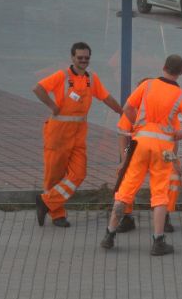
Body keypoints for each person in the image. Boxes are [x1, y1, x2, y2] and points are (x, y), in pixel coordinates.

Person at [101, 55, 182, 255]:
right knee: (159, 193)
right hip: (163, 148)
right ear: (180, 73)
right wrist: (180, 135)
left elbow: (128, 111)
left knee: (126, 190)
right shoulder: (181, 96)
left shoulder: (147, 86)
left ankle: (110, 234)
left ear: (163, 67)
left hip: (139, 144)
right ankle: (158, 241)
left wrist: (137, 127)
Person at [33, 42, 122, 228]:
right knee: (54, 175)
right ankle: (57, 215)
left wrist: (121, 111)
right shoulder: (62, 76)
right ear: (72, 58)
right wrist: (53, 106)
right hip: (58, 133)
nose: (83, 61)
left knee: (79, 173)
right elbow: (38, 89)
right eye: (80, 57)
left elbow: (106, 97)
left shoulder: (92, 79)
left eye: (86, 58)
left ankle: (46, 201)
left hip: (78, 135)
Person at [115, 78, 181, 234]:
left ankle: (164, 215)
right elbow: (123, 135)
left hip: (162, 152)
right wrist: (125, 158)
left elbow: (175, 137)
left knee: (173, 176)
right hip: (137, 152)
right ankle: (126, 216)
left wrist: (172, 159)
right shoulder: (132, 109)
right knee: (122, 175)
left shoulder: (167, 109)